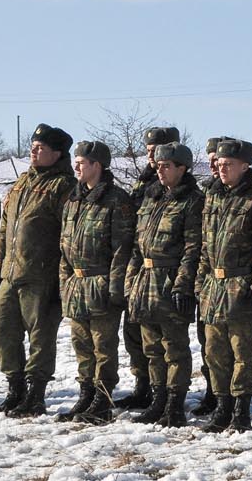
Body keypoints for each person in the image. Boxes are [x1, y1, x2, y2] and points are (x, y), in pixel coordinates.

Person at [0, 123, 76, 417]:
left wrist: (62, 275)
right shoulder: (22, 182)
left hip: (41, 274)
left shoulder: (63, 186)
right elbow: (5, 226)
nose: (34, 151)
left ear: (58, 153)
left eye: (41, 148)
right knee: (1, 329)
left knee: (41, 336)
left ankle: (35, 394)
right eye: (33, 146)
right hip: (10, 273)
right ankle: (15, 389)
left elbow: (68, 234)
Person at [192, 138, 252, 433]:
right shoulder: (213, 195)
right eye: (219, 163)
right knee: (214, 351)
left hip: (241, 284)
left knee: (241, 352)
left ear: (244, 166)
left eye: (228, 164)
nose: (222, 168)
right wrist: (201, 282)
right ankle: (222, 405)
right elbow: (206, 245)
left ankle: (240, 408)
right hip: (213, 285)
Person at [55, 140, 135, 425]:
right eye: (76, 162)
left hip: (101, 283)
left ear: (97, 165)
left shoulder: (116, 200)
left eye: (81, 163)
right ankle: (86, 394)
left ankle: (103, 399)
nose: (76, 167)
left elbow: (122, 249)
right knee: (82, 346)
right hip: (76, 284)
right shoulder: (73, 200)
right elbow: (64, 246)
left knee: (103, 346)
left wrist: (114, 287)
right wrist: (65, 282)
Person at [126, 141, 205, 427]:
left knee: (174, 348)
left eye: (166, 166)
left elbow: (193, 248)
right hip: (145, 282)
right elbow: (137, 246)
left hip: (170, 281)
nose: (160, 171)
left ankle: (174, 403)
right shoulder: (152, 198)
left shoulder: (192, 201)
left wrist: (183, 284)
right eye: (158, 166)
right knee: (152, 348)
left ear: (182, 169)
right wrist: (130, 282)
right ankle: (158, 399)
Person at [120, 126, 180, 411]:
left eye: (156, 150)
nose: (151, 156)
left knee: (165, 341)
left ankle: (166, 392)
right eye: (148, 151)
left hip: (164, 274)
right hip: (139, 268)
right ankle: (143, 384)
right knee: (134, 333)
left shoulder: (174, 185)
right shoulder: (145, 182)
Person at [190, 135, 228, 416]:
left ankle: (225, 395)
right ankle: (212, 390)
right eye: (211, 161)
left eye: (219, 160)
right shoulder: (208, 193)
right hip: (207, 279)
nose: (214, 166)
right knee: (208, 342)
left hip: (229, 280)